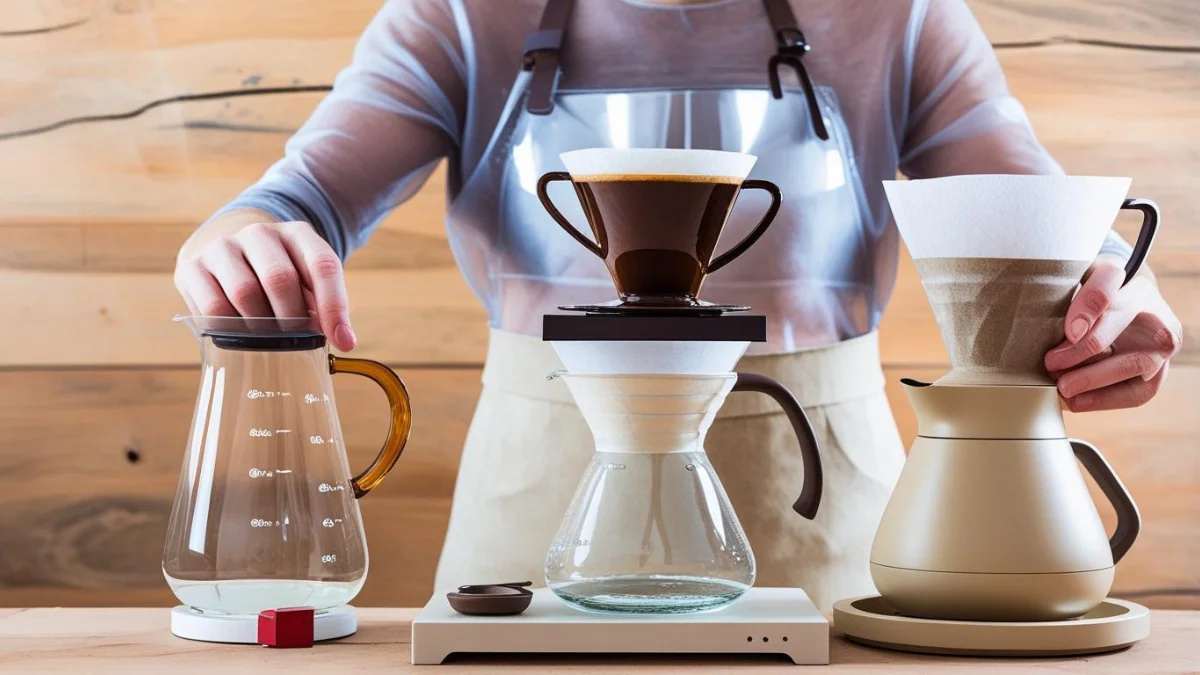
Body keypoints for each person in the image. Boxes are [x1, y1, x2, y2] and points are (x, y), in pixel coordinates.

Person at [174, 0, 1182, 612]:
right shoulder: (459, 15)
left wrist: (1114, 287)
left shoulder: (898, 16)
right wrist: (239, 245)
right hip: (535, 520)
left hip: (827, 524)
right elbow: (291, 202)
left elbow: (1044, 224)